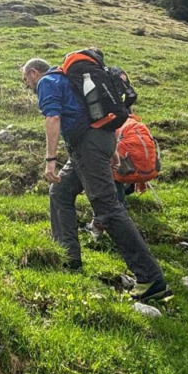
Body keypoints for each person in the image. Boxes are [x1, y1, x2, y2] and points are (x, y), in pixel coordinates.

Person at [21, 57, 168, 302]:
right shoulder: (66, 78)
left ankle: (150, 278)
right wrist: (111, 151)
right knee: (61, 193)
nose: (25, 84)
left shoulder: (47, 81)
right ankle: (68, 259)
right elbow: (92, 114)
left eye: (25, 79)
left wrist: (50, 159)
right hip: (97, 140)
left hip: (88, 146)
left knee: (107, 208)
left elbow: (53, 119)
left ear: (34, 72)